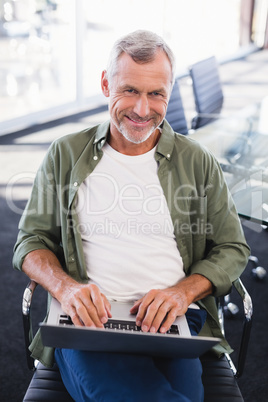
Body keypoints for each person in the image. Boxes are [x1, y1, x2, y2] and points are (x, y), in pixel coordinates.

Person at [13, 30, 250, 401]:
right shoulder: (65, 154)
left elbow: (232, 247)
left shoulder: (196, 160)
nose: (142, 110)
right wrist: (65, 288)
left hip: (173, 318)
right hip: (89, 320)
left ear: (170, 92)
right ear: (107, 84)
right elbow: (30, 242)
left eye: (156, 94)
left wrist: (181, 294)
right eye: (130, 91)